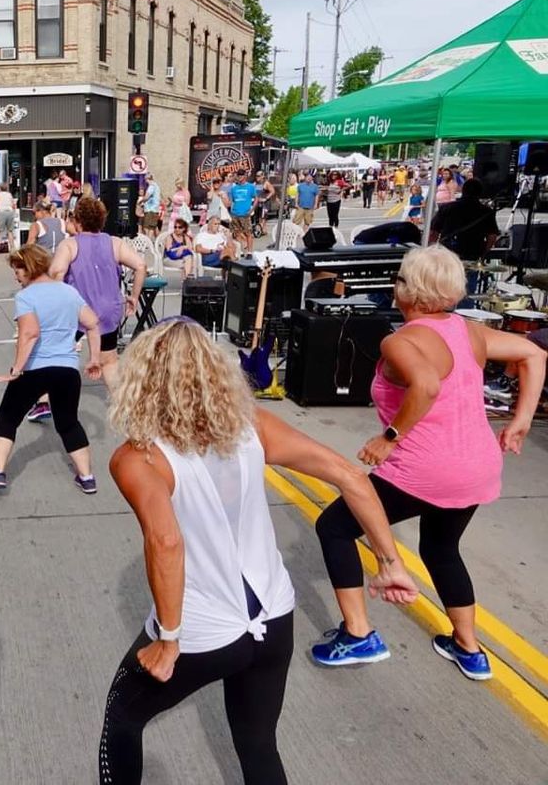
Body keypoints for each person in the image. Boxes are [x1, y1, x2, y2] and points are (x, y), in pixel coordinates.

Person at [99, 317, 419, 785]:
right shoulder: (252, 425)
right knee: (256, 743)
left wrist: (169, 639)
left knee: (122, 719)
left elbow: (166, 541)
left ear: (141, 378)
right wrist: (390, 562)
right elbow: (349, 476)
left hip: (204, 631)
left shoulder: (138, 457)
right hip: (274, 618)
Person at [311, 246, 545, 678]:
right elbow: (535, 354)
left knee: (335, 528)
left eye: (399, 279)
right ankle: (469, 648)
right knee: (441, 547)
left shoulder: (400, 340)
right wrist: (521, 422)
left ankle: (358, 634)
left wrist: (389, 437)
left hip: (424, 469)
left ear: (409, 292)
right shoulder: (469, 331)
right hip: (477, 466)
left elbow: (426, 384)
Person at [0, 243, 103, 492]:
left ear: (30, 267)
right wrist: (94, 358)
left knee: (8, 417)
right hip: (67, 370)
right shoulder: (69, 292)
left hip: (36, 369)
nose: (16, 275)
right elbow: (92, 323)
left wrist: (15, 370)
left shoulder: (26, 297)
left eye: (18, 270)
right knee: (68, 423)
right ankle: (87, 477)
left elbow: (29, 333)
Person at [49, 196, 146, 390]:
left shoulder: (69, 245)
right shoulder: (114, 243)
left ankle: (43, 400)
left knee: (54, 353)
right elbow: (141, 266)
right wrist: (134, 296)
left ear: (77, 221)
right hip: (109, 308)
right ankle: (122, 405)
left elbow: (57, 271)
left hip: (78, 310)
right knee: (109, 359)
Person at [429, 178, 500, 297]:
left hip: (447, 254)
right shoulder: (486, 211)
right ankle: (464, 313)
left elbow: (433, 233)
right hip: (472, 254)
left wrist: (431, 252)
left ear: (462, 190)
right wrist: (483, 252)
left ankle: (447, 313)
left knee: (444, 291)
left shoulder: (447, 208)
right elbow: (492, 237)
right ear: (480, 193)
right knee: (467, 293)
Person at [227, 171, 258, 253]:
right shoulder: (234, 188)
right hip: (235, 214)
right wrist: (231, 211)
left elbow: (256, 199)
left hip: (245, 214)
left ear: (245, 176)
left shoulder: (250, 187)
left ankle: (249, 252)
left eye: (241, 175)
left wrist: (251, 210)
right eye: (238, 175)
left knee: (248, 233)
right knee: (236, 233)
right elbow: (231, 201)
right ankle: (240, 251)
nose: (240, 176)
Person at [0, 182, 18, 253]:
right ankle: (13, 248)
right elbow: (13, 205)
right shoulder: (9, 194)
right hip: (10, 212)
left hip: (2, 212)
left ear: (0, 188)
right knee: (10, 231)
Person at [137, 173, 162, 240]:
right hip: (155, 209)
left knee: (147, 226)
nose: (145, 181)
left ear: (147, 179)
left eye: (146, 180)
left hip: (150, 209)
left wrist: (141, 201)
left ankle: (148, 240)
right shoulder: (156, 186)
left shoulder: (151, 186)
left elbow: (147, 197)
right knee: (153, 226)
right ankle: (155, 240)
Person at [253, 171, 275, 240]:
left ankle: (260, 230)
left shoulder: (266, 183)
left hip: (265, 203)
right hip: (258, 203)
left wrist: (266, 198)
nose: (257, 177)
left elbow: (273, 191)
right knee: (259, 217)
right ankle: (264, 230)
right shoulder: (255, 184)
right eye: (256, 176)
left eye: (259, 176)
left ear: (263, 176)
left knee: (263, 217)